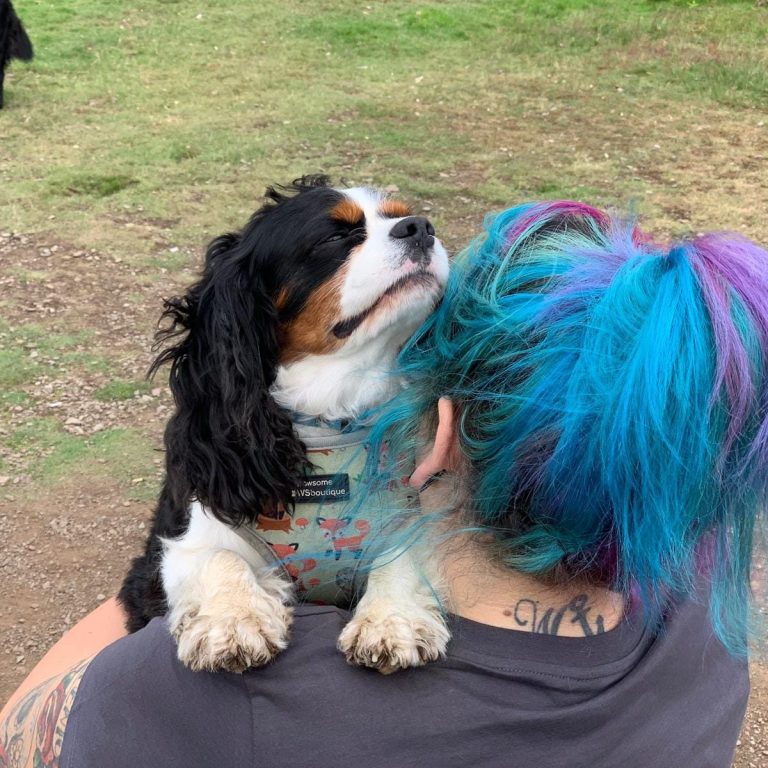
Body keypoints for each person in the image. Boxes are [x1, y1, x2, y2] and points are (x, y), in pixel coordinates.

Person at [1, 200, 764, 768]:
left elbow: (22, 735)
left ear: (439, 431)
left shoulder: (219, 698)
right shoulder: (706, 631)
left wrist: (158, 577)